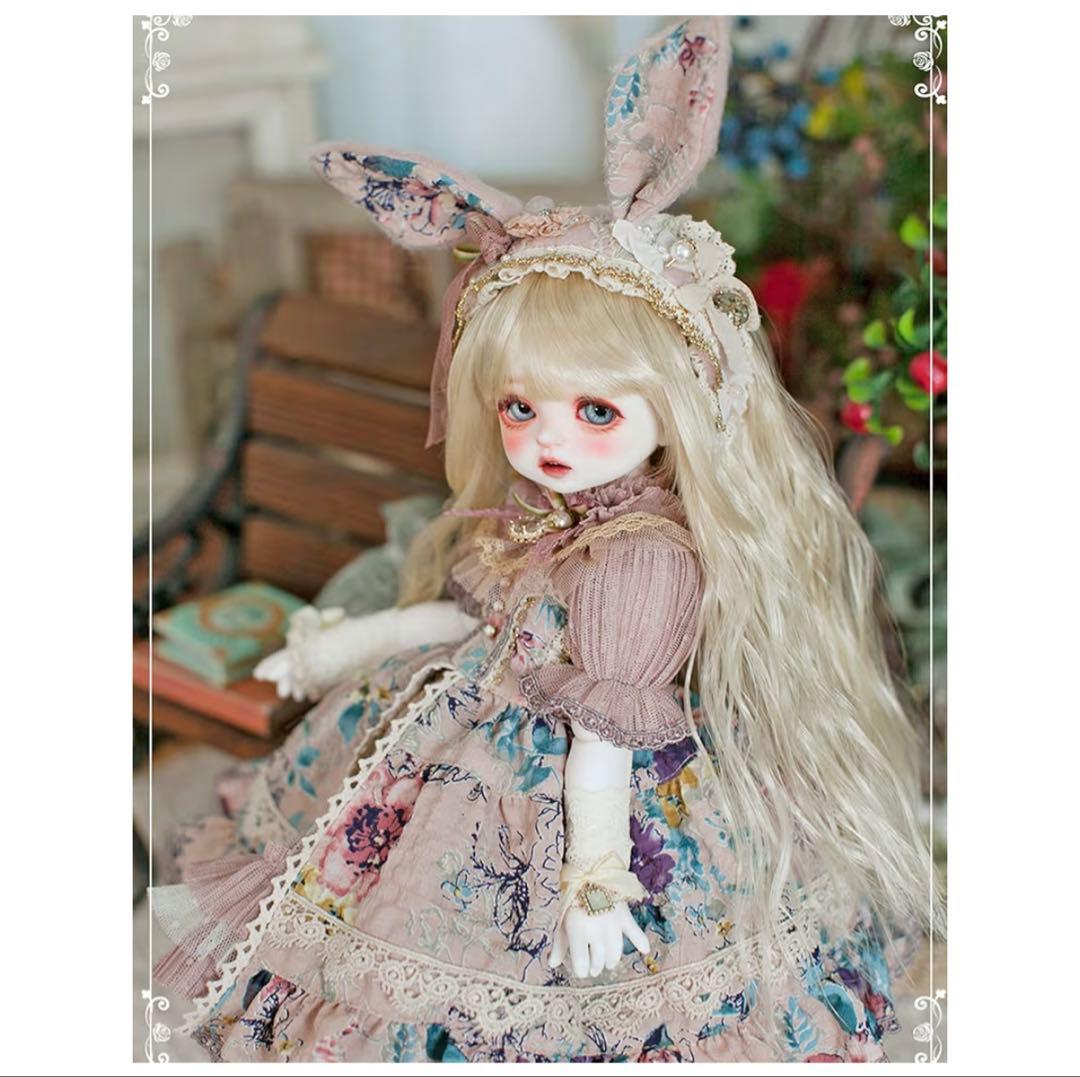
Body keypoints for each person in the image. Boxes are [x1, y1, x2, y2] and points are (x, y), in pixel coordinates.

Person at [152, 16, 938, 1062]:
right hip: (476, 716)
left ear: (676, 409)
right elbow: (476, 621)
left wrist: (596, 875)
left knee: (557, 976)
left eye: (596, 412)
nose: (547, 440)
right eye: (521, 408)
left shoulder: (645, 559)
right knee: (379, 894)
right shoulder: (544, 517)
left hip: (589, 786)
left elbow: (603, 746)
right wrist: (343, 646)